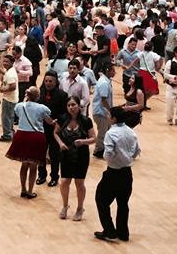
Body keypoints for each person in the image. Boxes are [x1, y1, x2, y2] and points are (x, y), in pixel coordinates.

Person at [94, 106, 140, 242]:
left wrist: (110, 157)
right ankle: (123, 233)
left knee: (101, 200)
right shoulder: (131, 132)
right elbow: (137, 151)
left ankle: (109, 230)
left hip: (113, 173)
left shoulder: (111, 133)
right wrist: (127, 157)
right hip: (127, 173)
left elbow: (108, 153)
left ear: (114, 118)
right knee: (123, 203)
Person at [6, 86, 55, 199]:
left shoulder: (20, 106)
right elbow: (49, 121)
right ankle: (30, 191)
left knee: (24, 164)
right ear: (38, 96)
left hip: (22, 135)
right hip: (36, 137)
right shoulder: (42, 108)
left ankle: (23, 189)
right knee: (33, 165)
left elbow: (18, 114)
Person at [53, 96, 95, 222]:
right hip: (66, 154)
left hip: (81, 155)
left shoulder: (86, 120)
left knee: (79, 182)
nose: (71, 107)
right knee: (65, 181)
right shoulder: (62, 119)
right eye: (69, 105)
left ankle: (80, 208)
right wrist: (60, 143)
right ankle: (65, 206)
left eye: (73, 105)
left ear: (78, 106)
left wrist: (83, 142)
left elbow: (93, 138)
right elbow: (55, 133)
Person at [36, 70, 68, 187]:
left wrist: (57, 121)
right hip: (41, 128)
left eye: (51, 81)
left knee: (54, 155)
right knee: (41, 153)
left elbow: (65, 113)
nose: (48, 83)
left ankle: (54, 177)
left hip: (55, 129)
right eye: (46, 81)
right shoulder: (39, 93)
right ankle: (41, 175)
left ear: (56, 82)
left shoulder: (62, 95)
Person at [91, 62, 115, 158]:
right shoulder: (104, 83)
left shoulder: (106, 80)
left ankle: (104, 149)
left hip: (103, 112)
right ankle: (98, 150)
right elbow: (103, 99)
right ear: (108, 71)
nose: (114, 72)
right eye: (113, 70)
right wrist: (110, 110)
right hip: (101, 112)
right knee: (102, 133)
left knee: (106, 131)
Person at [0, 53, 19, 143]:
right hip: (12, 98)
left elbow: (13, 86)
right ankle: (10, 132)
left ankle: (7, 135)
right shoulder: (9, 71)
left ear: (12, 63)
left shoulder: (10, 74)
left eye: (7, 62)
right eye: (4, 61)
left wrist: (2, 89)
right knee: (10, 117)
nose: (5, 63)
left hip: (9, 99)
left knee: (6, 117)